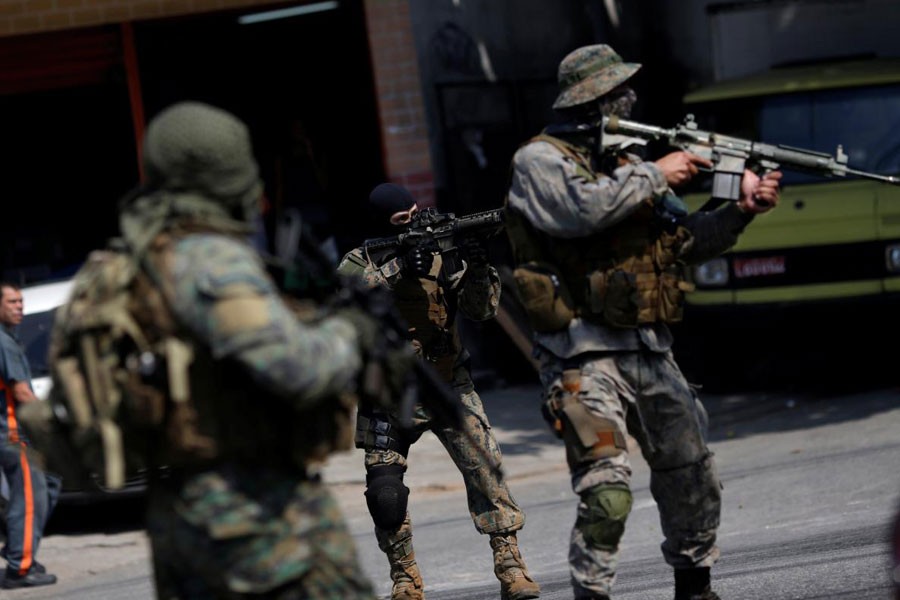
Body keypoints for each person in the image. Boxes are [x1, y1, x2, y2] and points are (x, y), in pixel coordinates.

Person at [43, 101, 394, 599]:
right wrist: (349, 332)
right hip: (255, 515)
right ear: (229, 168)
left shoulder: (118, 264)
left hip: (176, 515)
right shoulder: (209, 259)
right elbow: (297, 368)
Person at [503, 44, 782, 600]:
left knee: (692, 472)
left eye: (625, 91)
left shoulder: (628, 166)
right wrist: (659, 172)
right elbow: (580, 212)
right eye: (614, 94)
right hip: (580, 356)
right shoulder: (539, 162)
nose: (627, 101)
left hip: (648, 348)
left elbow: (683, 244)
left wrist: (741, 211)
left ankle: (695, 586)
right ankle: (593, 593)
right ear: (588, 102)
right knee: (608, 493)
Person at [336, 182, 541, 600]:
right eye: (401, 221)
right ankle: (406, 579)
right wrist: (398, 270)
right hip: (387, 394)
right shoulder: (358, 262)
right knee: (386, 495)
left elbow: (481, 311)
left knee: (487, 475)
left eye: (415, 213)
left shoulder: (443, 255)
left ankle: (512, 567)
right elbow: (343, 308)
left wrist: (479, 268)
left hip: (448, 383)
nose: (414, 224)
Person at [0, 282, 61, 589]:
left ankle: (17, 549)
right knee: (28, 499)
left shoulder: (7, 339)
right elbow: (22, 391)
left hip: (12, 434)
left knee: (49, 483)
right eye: (12, 302)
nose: (19, 307)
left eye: (21, 301)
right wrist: (52, 422)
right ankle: (20, 568)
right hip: (13, 436)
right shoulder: (4, 343)